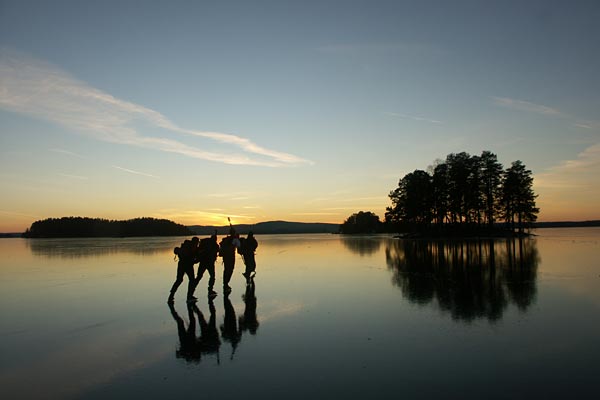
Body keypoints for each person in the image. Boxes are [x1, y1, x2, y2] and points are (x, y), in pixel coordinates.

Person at [168, 237, 199, 303]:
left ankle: (171, 296)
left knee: (179, 280)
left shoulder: (185, 247)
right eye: (197, 242)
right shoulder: (192, 247)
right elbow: (193, 259)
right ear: (195, 242)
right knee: (192, 280)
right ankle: (189, 296)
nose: (197, 244)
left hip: (181, 264)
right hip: (188, 265)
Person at [193, 232, 220, 298]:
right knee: (212, 276)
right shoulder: (215, 245)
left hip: (203, 262)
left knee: (199, 277)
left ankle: (191, 292)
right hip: (210, 263)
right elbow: (219, 251)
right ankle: (210, 290)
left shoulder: (205, 243)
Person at [219, 228, 240, 294]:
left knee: (226, 270)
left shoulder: (225, 239)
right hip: (231, 257)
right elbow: (239, 246)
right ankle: (226, 284)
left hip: (225, 257)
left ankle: (225, 284)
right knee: (230, 270)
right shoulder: (235, 239)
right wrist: (237, 239)